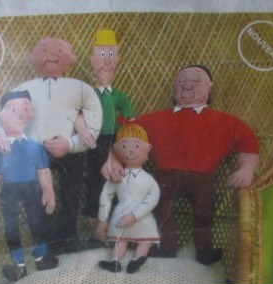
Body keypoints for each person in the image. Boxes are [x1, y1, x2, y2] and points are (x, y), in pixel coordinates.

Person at [104, 65, 259, 265]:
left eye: (196, 81)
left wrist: (247, 168)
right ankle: (166, 248)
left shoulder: (224, 121)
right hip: (165, 175)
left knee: (204, 213)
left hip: (203, 178)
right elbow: (127, 136)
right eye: (182, 81)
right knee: (162, 211)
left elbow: (247, 143)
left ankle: (204, 250)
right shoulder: (155, 119)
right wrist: (115, 159)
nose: (187, 85)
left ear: (209, 88)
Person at [0, 37, 103, 254]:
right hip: (34, 152)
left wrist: (71, 144)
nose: (52, 54)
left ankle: (69, 239)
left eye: (59, 49)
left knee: (71, 196)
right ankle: (45, 243)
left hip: (72, 152)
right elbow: (1, 116)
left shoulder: (80, 88)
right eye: (44, 49)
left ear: (70, 58)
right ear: (32, 57)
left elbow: (94, 116)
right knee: (39, 197)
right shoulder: (23, 88)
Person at [0, 91, 57, 283]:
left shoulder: (35, 147)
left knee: (37, 222)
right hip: (9, 190)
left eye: (26, 109)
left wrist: (48, 190)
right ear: (0, 114)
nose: (20, 114)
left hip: (33, 189)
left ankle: (41, 257)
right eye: (13, 109)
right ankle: (18, 265)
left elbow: (43, 171)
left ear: (31, 113)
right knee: (11, 227)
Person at [75, 29, 135, 245]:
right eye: (102, 55)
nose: (106, 61)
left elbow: (131, 121)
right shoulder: (88, 94)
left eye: (111, 55)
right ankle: (97, 232)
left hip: (114, 143)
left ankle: (111, 231)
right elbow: (76, 115)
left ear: (117, 60)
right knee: (94, 184)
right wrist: (83, 130)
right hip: (93, 143)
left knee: (115, 185)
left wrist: (123, 144)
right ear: (92, 60)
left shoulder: (119, 96)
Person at [97, 124, 160, 274]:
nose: (130, 150)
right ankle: (119, 261)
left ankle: (133, 259)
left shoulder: (148, 180)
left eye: (136, 146)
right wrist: (103, 219)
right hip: (134, 219)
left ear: (148, 149)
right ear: (117, 149)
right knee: (133, 240)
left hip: (134, 217)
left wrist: (133, 216)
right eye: (124, 146)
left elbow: (153, 198)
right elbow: (106, 195)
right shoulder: (118, 176)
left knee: (128, 241)